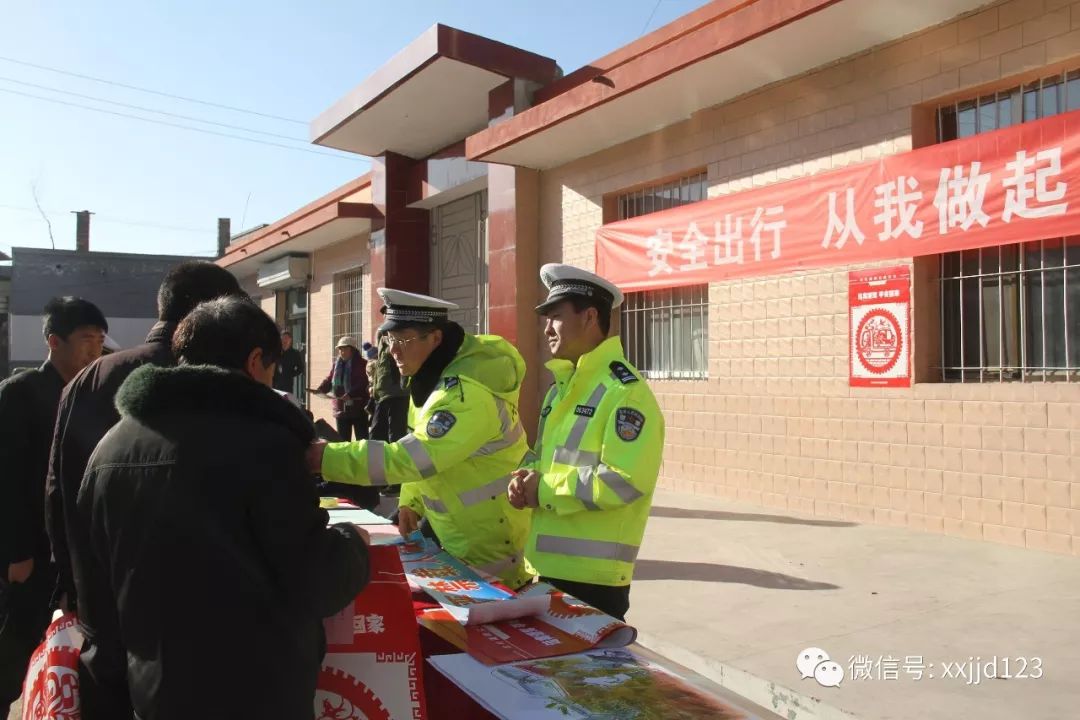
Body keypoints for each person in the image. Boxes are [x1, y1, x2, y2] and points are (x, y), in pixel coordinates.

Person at [78, 296, 370, 720]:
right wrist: (352, 544)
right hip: (258, 692)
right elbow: (314, 579)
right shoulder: (267, 444)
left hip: (154, 691)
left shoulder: (112, 446)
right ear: (256, 361)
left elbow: (96, 590)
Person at [308, 289, 533, 589]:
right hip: (455, 535)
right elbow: (420, 444)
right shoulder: (428, 381)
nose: (392, 352)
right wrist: (411, 503)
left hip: (490, 544)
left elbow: (412, 458)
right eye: (388, 341)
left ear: (436, 338)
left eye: (402, 341)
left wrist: (324, 458)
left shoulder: (465, 394)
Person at [508, 264, 664, 621]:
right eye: (545, 318)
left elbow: (623, 482)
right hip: (544, 569)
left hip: (592, 583)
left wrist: (543, 491)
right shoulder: (561, 387)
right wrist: (526, 477)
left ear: (590, 316)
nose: (546, 328)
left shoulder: (625, 393)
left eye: (556, 317)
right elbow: (545, 457)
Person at [0, 296, 107, 711]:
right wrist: (15, 552)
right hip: (28, 550)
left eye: (99, 339)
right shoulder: (20, 394)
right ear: (53, 342)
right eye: (85, 339)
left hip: (72, 548)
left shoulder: (93, 393)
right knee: (15, 644)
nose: (95, 349)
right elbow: (6, 479)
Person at [314, 337, 370, 441]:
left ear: (352, 350)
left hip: (358, 408)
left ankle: (363, 458)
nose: (342, 352)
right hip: (340, 409)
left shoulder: (362, 364)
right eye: (340, 349)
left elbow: (363, 382)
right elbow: (330, 379)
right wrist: (321, 389)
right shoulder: (336, 365)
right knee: (343, 441)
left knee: (362, 441)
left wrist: (350, 394)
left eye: (344, 349)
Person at [368, 330, 409, 444]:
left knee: (395, 435)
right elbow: (380, 369)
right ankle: (375, 461)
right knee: (376, 435)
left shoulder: (399, 337)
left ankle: (395, 461)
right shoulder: (382, 338)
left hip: (396, 394)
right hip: (382, 395)